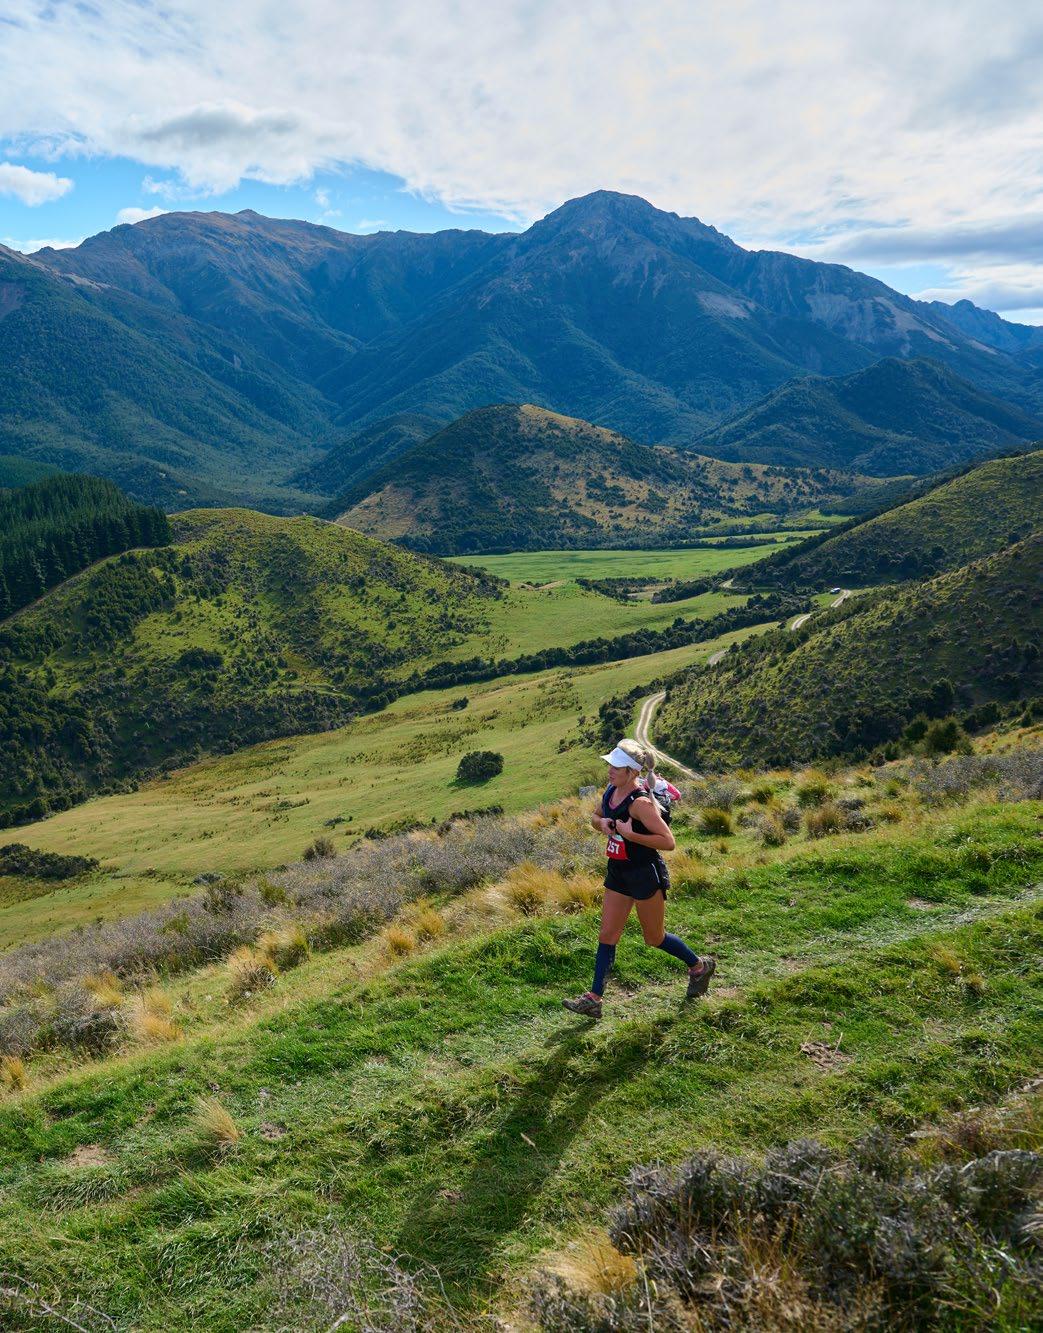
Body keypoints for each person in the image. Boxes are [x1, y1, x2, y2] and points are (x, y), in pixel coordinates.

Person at [563, 739, 715, 1019]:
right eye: (610, 764)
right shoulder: (611, 790)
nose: (610, 770)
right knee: (607, 935)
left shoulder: (641, 804)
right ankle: (594, 999)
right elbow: (596, 817)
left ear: (632, 771)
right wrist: (602, 824)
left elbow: (668, 842)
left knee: (654, 938)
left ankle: (699, 967)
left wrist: (631, 835)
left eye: (616, 766)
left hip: (645, 874)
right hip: (618, 871)